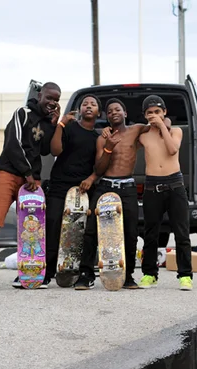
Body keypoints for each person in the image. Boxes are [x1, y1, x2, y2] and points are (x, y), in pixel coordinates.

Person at [0, 82, 61, 291]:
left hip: (32, 179)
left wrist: (54, 123)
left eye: (56, 100)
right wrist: (27, 173)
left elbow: (46, 151)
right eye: (49, 97)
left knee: (33, 227)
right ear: (40, 95)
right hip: (10, 173)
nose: (52, 102)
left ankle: (29, 271)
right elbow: (12, 143)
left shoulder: (47, 121)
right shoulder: (22, 112)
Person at [74, 98, 143, 290]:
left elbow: (159, 126)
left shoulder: (136, 130)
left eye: (117, 109)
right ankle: (86, 274)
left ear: (125, 113)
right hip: (105, 186)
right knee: (91, 231)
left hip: (128, 187)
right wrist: (108, 148)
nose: (114, 113)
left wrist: (167, 122)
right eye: (110, 111)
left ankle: (127, 275)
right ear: (106, 116)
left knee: (130, 232)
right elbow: (100, 168)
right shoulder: (102, 138)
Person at [43, 94, 100, 287]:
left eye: (93, 104)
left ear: (98, 112)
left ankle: (80, 271)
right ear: (80, 110)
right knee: (53, 225)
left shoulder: (98, 137)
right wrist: (61, 124)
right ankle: (47, 272)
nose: (89, 106)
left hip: (83, 189)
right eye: (85, 104)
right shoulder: (70, 128)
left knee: (83, 230)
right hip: (60, 185)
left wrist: (91, 179)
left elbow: (100, 165)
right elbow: (55, 151)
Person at [138, 95, 193, 291]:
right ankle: (149, 274)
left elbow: (172, 150)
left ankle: (185, 275)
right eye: (150, 113)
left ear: (164, 112)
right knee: (151, 233)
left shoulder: (175, 131)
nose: (153, 116)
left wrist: (163, 126)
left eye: (157, 112)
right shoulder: (143, 134)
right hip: (152, 185)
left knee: (182, 233)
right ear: (145, 115)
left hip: (174, 184)